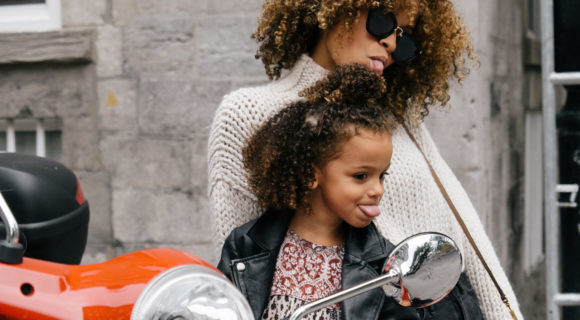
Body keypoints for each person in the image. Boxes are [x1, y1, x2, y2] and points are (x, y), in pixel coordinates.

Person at [208, 0, 523, 318]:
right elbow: (243, 276)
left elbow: (464, 231)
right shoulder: (250, 113)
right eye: (382, 20)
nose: (391, 42)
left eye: (406, 36)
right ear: (332, 8)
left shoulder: (396, 119)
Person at [217, 65, 483, 320]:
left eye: (382, 175)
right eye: (360, 176)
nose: (377, 189)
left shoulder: (383, 268)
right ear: (310, 174)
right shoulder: (247, 245)